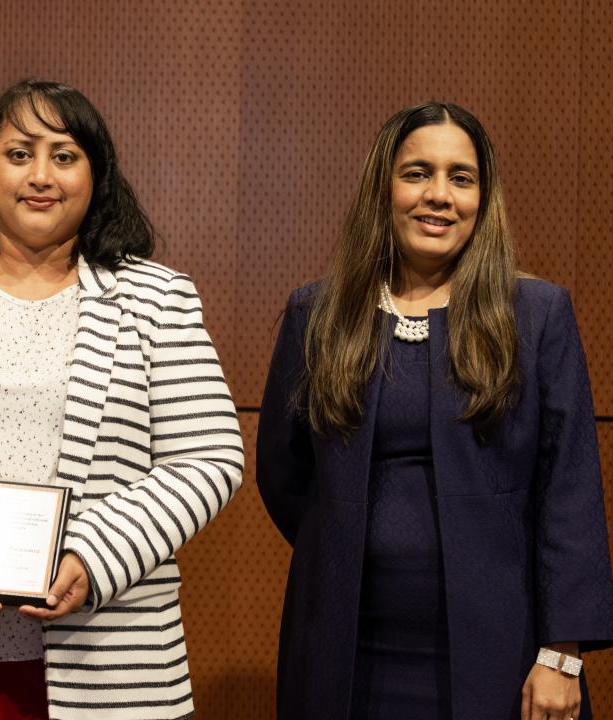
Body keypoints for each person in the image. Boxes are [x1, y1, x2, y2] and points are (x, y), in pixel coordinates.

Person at [0, 79, 244, 720]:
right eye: (19, 154)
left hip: (109, 656)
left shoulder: (158, 299)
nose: (41, 176)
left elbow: (209, 458)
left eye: (64, 156)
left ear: (96, 175)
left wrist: (95, 554)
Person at [257, 101, 613, 720]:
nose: (439, 196)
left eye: (461, 177)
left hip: (504, 653)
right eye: (417, 173)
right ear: (383, 188)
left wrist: (563, 656)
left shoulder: (537, 315)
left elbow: (570, 495)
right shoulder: (316, 315)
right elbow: (285, 479)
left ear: (483, 197)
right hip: (344, 652)